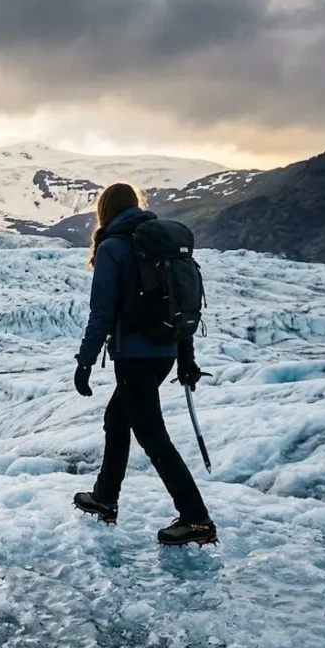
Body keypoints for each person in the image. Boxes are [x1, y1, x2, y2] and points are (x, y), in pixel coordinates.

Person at [70, 183, 217, 546]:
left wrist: (85, 362)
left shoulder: (113, 247)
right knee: (117, 419)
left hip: (134, 356)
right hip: (163, 353)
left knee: (153, 436)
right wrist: (185, 358)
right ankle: (105, 497)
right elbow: (180, 306)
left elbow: (101, 312)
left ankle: (196, 519)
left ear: (105, 210)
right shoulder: (157, 247)